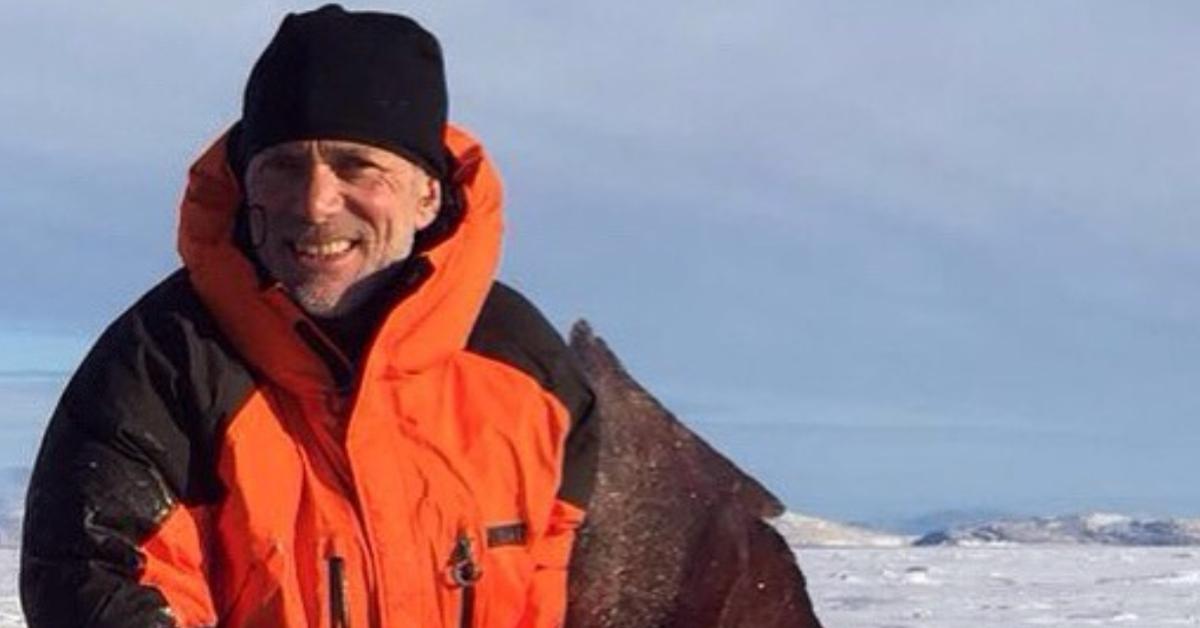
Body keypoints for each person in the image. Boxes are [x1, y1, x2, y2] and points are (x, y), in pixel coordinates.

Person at [20, 5, 597, 627]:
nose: (317, 203)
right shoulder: (165, 366)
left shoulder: (530, 374)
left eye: (356, 165)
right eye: (285, 167)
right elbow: (95, 581)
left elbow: (567, 588)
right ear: (247, 187)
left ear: (427, 193)